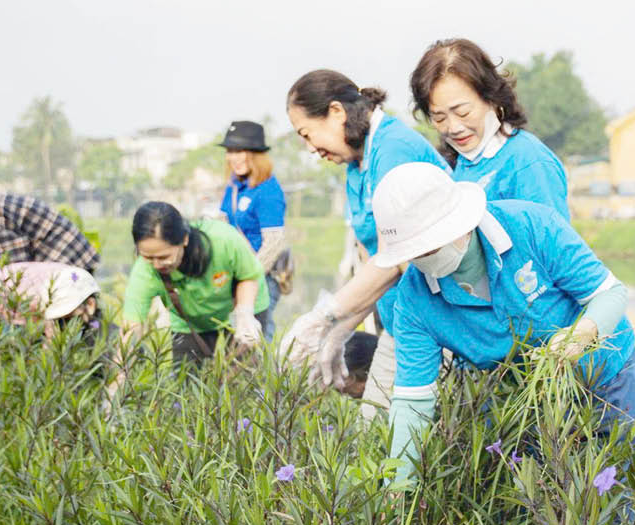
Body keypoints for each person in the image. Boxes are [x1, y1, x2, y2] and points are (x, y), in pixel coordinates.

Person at [369, 163, 635, 485]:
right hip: (525, 402)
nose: (424, 260)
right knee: (547, 499)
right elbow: (413, 400)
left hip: (604, 377)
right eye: (414, 254)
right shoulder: (414, 301)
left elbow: (610, 293)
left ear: (458, 223)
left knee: (617, 487)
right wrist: (397, 484)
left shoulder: (531, 226)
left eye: (430, 247)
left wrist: (581, 334)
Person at [281, 69, 449, 413]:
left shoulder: (393, 150)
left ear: (337, 113)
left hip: (441, 322)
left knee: (419, 434)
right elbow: (369, 256)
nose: (312, 149)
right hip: (400, 321)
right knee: (372, 430)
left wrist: (324, 316)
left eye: (308, 135)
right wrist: (343, 329)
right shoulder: (357, 165)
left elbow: (394, 258)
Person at [410, 38, 568, 219]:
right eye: (439, 118)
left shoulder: (527, 161)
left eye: (463, 112)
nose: (453, 128)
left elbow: (551, 242)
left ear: (492, 99)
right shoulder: (460, 164)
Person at [120, 201, 269, 365]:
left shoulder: (223, 240)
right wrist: (120, 373)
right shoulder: (144, 271)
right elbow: (132, 326)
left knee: (246, 373)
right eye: (148, 257)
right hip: (189, 320)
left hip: (241, 306)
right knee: (186, 379)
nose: (156, 265)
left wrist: (245, 313)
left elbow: (248, 277)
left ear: (184, 239)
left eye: (164, 257)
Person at [218, 120, 289, 340]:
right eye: (230, 151)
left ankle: (264, 375)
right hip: (236, 274)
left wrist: (250, 276)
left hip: (262, 274)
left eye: (240, 151)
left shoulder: (268, 190)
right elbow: (222, 223)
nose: (234, 157)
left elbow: (274, 242)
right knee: (235, 335)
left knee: (257, 335)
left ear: (256, 154)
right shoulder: (235, 186)